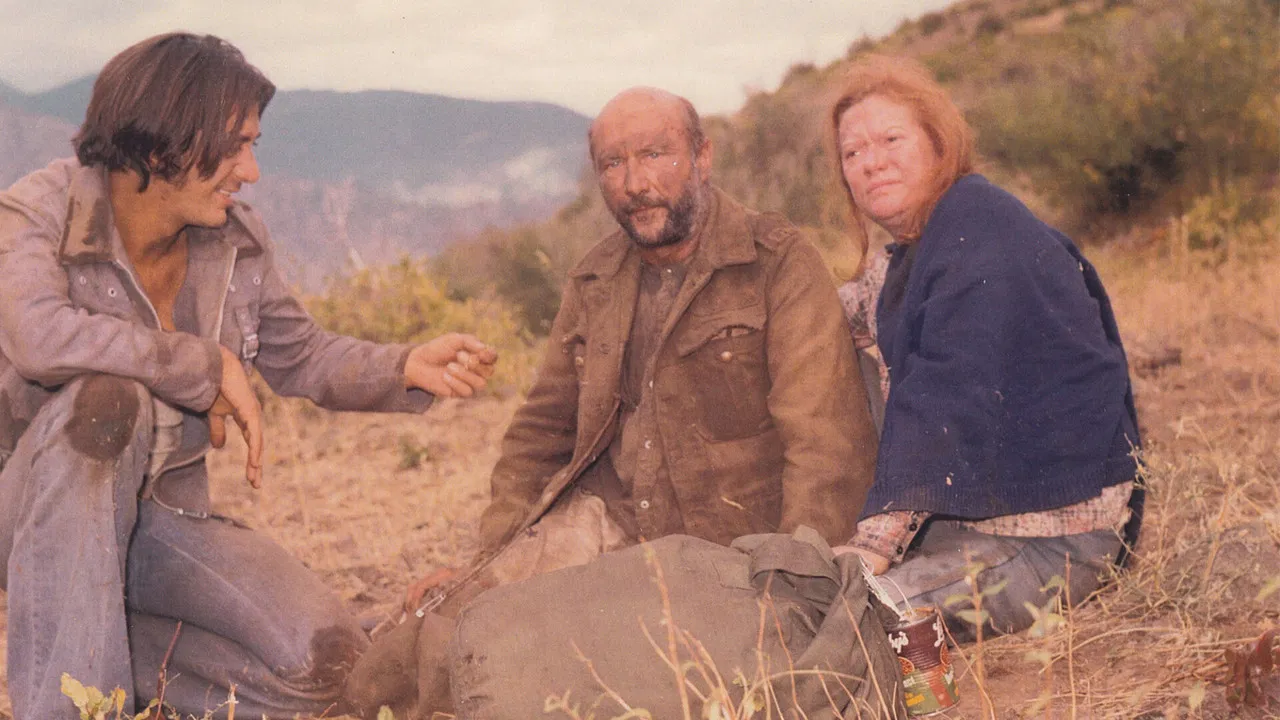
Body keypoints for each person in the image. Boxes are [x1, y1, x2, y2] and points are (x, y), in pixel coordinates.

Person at [0, 33, 497, 720]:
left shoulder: (233, 238)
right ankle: (75, 709)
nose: (252, 170)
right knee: (106, 400)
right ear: (163, 142)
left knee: (333, 665)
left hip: (162, 518)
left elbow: (300, 354)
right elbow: (37, 337)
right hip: (30, 513)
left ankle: (122, 659)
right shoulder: (43, 208)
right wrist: (203, 363)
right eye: (235, 146)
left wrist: (401, 365)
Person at [344, 86, 880, 717]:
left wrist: (795, 580)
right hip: (608, 523)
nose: (634, 183)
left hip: (726, 551)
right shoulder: (595, 279)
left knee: (557, 671)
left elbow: (825, 441)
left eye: (655, 155)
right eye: (613, 164)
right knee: (430, 645)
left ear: (703, 158)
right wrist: (490, 560)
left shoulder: (775, 263)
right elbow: (538, 435)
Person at [825, 55, 1144, 642]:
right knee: (829, 354)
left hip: (1054, 538)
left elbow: (945, 401)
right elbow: (827, 315)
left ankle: (926, 698)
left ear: (939, 143)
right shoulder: (914, 254)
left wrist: (871, 550)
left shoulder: (982, 233)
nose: (871, 162)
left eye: (891, 139)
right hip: (980, 519)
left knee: (872, 614)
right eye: (853, 152)